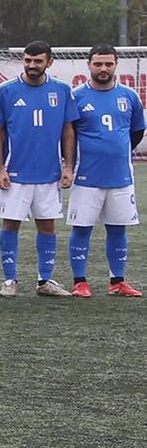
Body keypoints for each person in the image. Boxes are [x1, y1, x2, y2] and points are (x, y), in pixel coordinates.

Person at [0, 40, 73, 296]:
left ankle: (44, 281)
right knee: (10, 225)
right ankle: (9, 280)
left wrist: (69, 166)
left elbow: (68, 130)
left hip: (49, 174)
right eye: (27, 60)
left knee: (47, 226)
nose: (32, 65)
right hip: (15, 174)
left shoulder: (61, 90)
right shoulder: (6, 90)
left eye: (38, 61)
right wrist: (0, 168)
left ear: (49, 62)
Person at [66, 47, 141, 294]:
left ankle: (117, 281)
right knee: (82, 228)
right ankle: (80, 282)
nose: (103, 69)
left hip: (121, 176)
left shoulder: (129, 96)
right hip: (87, 176)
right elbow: (68, 134)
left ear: (116, 65)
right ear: (89, 65)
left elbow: (136, 132)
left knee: (118, 228)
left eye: (108, 64)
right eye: (98, 64)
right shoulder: (76, 97)